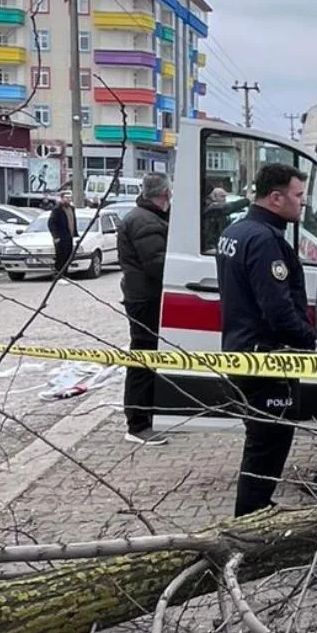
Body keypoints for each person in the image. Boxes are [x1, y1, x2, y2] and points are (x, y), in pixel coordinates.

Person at [216, 163, 316, 517]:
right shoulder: (264, 240)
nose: (303, 204)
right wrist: (312, 340)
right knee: (268, 445)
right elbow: (278, 311)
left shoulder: (237, 231)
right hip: (267, 361)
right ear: (276, 198)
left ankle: (257, 509)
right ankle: (250, 522)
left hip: (242, 354)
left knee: (261, 442)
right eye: (298, 195)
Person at [118, 173, 173, 446]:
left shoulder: (148, 217)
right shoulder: (143, 221)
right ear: (162, 195)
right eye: (169, 195)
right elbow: (157, 264)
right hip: (144, 300)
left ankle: (148, 416)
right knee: (143, 359)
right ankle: (138, 423)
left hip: (143, 297)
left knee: (148, 357)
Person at [49, 191, 77, 278]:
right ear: (62, 198)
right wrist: (56, 236)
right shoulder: (57, 209)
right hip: (61, 237)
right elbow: (51, 223)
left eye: (69, 198)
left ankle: (65, 274)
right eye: (66, 198)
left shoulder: (71, 208)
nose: (68, 200)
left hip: (69, 236)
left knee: (68, 256)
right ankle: (58, 275)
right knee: (61, 256)